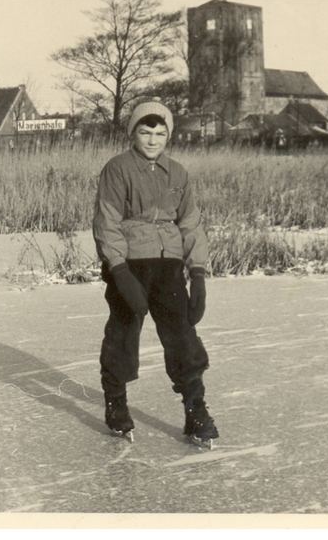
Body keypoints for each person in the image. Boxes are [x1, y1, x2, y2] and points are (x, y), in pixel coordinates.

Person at [92, 101, 219, 448]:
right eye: (145, 132)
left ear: (169, 136)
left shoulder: (178, 173)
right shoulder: (117, 169)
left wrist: (199, 275)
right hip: (131, 265)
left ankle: (196, 411)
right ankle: (116, 404)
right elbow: (107, 222)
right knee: (123, 334)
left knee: (183, 337)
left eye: (160, 133)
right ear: (133, 133)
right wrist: (118, 270)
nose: (152, 140)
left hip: (168, 265)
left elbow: (190, 223)